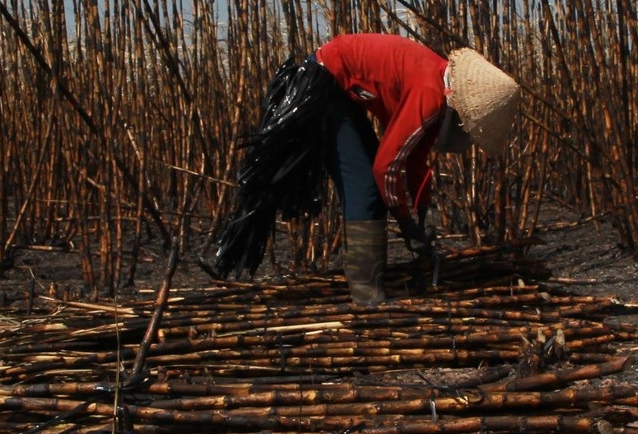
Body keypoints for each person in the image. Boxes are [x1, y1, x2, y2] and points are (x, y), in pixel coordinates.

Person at [212, 33, 521, 305]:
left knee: (369, 184)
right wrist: (404, 220)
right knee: (366, 186)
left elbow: (414, 159)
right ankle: (366, 292)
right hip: (325, 83)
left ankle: (366, 283)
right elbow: (386, 167)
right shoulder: (429, 94)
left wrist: (421, 210)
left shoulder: (436, 82)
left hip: (341, 89)